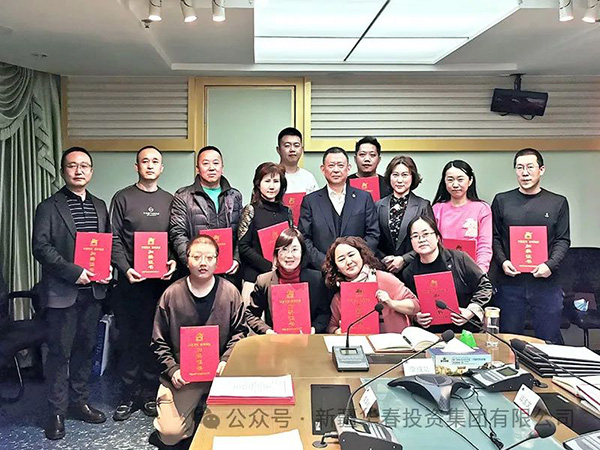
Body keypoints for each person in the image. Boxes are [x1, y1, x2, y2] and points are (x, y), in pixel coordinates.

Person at [32, 147, 112, 440]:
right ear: (63, 171)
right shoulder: (48, 207)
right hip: (62, 292)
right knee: (59, 353)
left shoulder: (100, 205)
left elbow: (107, 242)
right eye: (72, 166)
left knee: (85, 349)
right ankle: (56, 411)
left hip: (94, 291)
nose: (79, 171)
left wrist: (109, 269)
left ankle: (80, 402)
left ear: (91, 171)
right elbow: (41, 247)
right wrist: (74, 272)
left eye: (84, 166)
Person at [151, 235, 248, 449]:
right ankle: (188, 411)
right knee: (170, 434)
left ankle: (202, 408)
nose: (203, 263)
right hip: (184, 377)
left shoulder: (230, 293)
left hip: (220, 373)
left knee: (240, 424)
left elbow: (240, 332)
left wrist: (226, 360)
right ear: (187, 260)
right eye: (197, 257)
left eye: (209, 258)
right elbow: (158, 341)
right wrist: (173, 370)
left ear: (217, 261)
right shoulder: (171, 294)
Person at [109, 146, 177, 421]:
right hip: (130, 282)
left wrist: (172, 261)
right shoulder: (122, 197)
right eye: (144, 161)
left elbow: (175, 237)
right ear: (136, 166)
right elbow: (113, 238)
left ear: (162, 168)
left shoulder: (170, 200)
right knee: (129, 338)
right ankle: (127, 394)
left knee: (155, 337)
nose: (150, 165)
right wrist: (125, 268)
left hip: (159, 284)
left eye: (155, 161)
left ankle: (149, 392)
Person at [491, 148, 570, 344]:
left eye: (530, 167)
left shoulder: (557, 202)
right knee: (509, 340)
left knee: (549, 340)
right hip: (510, 283)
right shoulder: (502, 200)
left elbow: (563, 240)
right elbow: (495, 237)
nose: (524, 173)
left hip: (546, 283)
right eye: (520, 168)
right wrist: (503, 262)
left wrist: (550, 265)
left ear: (541, 170)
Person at [402, 215, 492, 334]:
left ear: (437, 237)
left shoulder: (460, 259)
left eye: (426, 234)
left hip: (466, 331)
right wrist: (415, 316)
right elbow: (412, 303)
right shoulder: (409, 272)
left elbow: (485, 286)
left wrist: (470, 311)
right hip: (431, 335)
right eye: (415, 236)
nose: (421, 239)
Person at [169, 146, 243, 283]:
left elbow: (242, 233)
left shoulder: (234, 196)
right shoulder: (183, 196)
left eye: (216, 163)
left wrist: (236, 259)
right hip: (195, 273)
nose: (211, 168)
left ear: (222, 167)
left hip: (229, 272)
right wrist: (193, 261)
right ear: (197, 168)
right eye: (206, 163)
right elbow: (177, 233)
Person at [299, 147, 379, 270]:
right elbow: (304, 239)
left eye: (340, 165)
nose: (336, 170)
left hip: (357, 269)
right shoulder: (310, 201)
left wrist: (355, 261)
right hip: (322, 270)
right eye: (331, 165)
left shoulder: (364, 198)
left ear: (348, 168)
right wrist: (326, 264)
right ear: (323, 169)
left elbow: (373, 234)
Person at [323, 237, 419, 334]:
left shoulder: (384, 279)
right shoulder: (339, 296)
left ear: (362, 255)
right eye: (341, 259)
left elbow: (415, 305)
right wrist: (338, 332)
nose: (348, 262)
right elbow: (331, 326)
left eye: (351, 255)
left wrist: (392, 303)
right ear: (337, 268)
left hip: (393, 340)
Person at [246, 228, 332, 334]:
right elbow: (251, 314)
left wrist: (313, 330)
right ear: (277, 254)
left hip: (307, 339)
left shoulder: (316, 279)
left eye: (294, 249)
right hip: (276, 340)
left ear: (302, 253)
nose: (289, 255)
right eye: (284, 249)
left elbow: (324, 313)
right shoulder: (264, 281)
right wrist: (268, 331)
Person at [238, 163, 293, 303]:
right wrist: (269, 266)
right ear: (258, 184)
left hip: (281, 277)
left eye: (276, 181)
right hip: (254, 278)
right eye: (267, 181)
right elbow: (243, 247)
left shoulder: (287, 212)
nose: (272, 186)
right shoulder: (251, 210)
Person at [432, 160, 492, 273]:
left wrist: (480, 272)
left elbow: (484, 245)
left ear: (470, 181)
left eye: (460, 179)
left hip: (473, 270)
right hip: (443, 270)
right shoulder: (437, 208)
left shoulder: (482, 208)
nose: (455, 185)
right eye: (450, 180)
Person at [376, 155, 433, 274]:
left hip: (415, 267)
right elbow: (374, 237)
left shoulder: (423, 205)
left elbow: (429, 239)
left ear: (413, 177)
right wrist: (384, 259)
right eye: (395, 175)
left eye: (405, 175)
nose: (399, 180)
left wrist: (404, 259)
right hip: (385, 268)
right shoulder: (378, 205)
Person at [276, 127, 318, 194]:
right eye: (287, 145)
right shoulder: (271, 175)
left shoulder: (308, 177)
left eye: (296, 145)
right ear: (278, 150)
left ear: (302, 149)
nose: (292, 149)